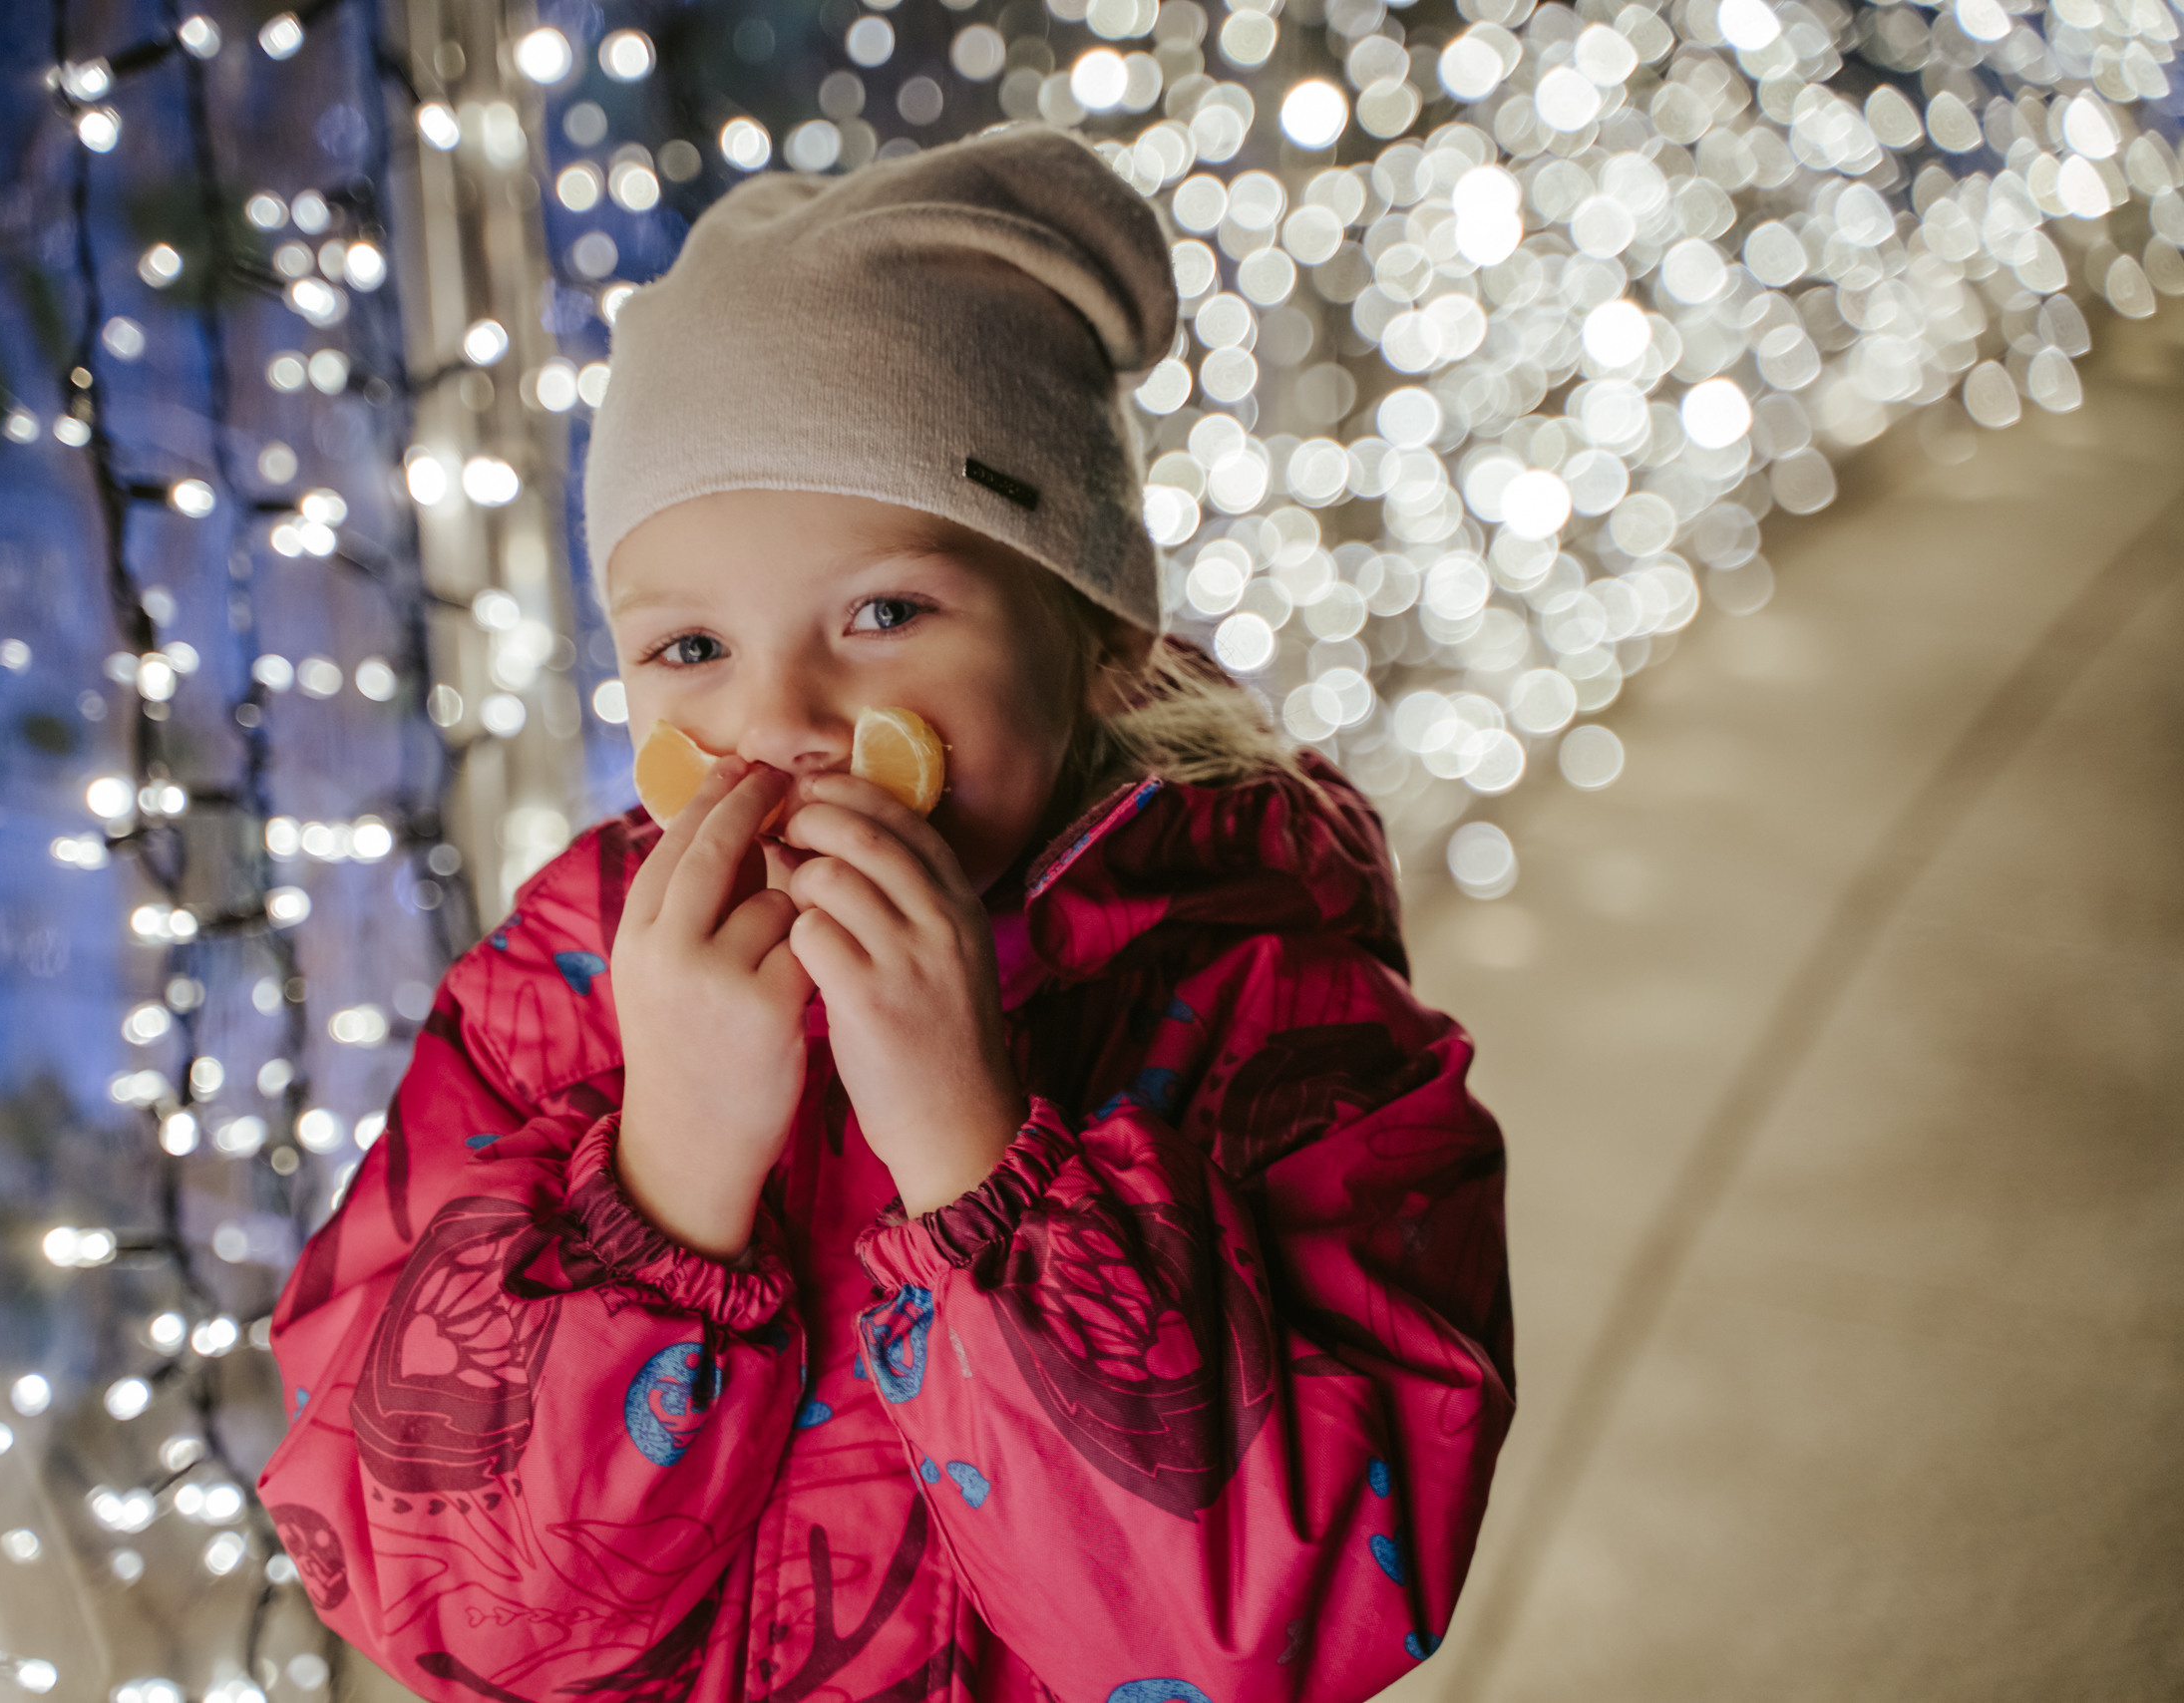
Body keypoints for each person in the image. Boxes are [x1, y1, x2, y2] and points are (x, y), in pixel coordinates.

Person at [257, 125, 1512, 1703]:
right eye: (692, 646)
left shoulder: (1284, 1008)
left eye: (883, 612)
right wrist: (668, 1168)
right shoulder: (557, 996)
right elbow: (440, 1606)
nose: (780, 715)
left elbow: (1269, 1635)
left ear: (1106, 638)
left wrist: (980, 1160)